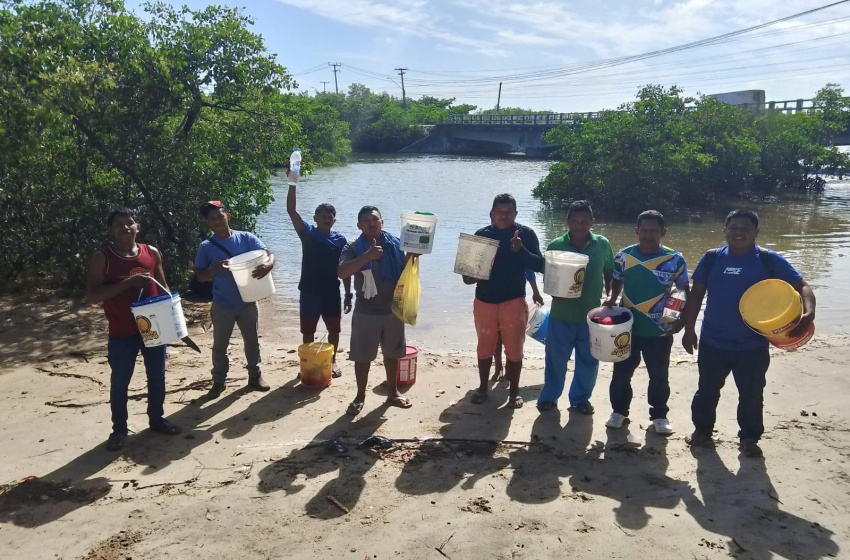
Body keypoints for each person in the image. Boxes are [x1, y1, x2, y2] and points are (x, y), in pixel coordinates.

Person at [682, 209, 815, 458]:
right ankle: (702, 431)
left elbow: (803, 286)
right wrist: (689, 330)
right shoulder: (711, 258)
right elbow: (696, 295)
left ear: (756, 232)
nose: (739, 232)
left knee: (752, 394)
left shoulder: (769, 260)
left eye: (745, 228)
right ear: (725, 230)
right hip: (713, 341)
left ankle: (750, 438)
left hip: (753, 345)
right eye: (733, 227)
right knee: (706, 390)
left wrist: (808, 314)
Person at [85, 208, 182, 451]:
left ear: (137, 227)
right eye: (119, 224)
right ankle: (119, 429)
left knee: (157, 375)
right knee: (120, 381)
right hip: (121, 331)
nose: (125, 228)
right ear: (111, 230)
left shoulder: (152, 252)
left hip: (153, 328)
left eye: (130, 223)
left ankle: (156, 418)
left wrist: (175, 318)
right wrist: (128, 283)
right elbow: (92, 296)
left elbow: (163, 287)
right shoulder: (103, 256)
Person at [602, 210, 689, 435]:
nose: (649, 236)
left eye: (654, 232)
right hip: (627, 327)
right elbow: (617, 281)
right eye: (645, 231)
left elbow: (682, 291)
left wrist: (680, 322)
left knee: (658, 376)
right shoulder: (623, 255)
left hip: (659, 329)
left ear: (663, 233)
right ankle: (619, 412)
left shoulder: (675, 259)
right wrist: (611, 298)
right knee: (621, 374)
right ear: (637, 231)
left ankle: (659, 415)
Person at [463, 193, 544, 408]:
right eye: (499, 212)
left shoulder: (526, 234)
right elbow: (467, 279)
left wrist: (520, 250)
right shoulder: (482, 235)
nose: (504, 216)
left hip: (513, 300)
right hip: (485, 300)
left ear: (516, 214)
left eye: (509, 212)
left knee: (515, 350)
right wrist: (473, 274)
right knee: (484, 348)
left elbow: (540, 265)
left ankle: (514, 392)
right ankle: (482, 387)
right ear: (492, 214)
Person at [537, 200, 614, 415]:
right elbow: (549, 279)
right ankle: (549, 397)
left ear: (592, 222)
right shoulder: (556, 245)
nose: (579, 226)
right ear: (567, 221)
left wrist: (610, 296)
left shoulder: (602, 244)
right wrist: (554, 295)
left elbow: (611, 273)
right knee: (555, 361)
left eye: (585, 221)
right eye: (575, 221)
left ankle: (580, 399)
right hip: (561, 315)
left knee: (588, 362)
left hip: (591, 317)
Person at [194, 201, 275, 399]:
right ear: (208, 223)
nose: (217, 221)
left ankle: (255, 376)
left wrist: (268, 265)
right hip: (223, 304)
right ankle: (219, 381)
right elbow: (201, 276)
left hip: (249, 300)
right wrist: (216, 269)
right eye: (212, 219)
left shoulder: (246, 237)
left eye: (220, 216)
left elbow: (268, 254)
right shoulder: (206, 247)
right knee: (220, 345)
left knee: (252, 341)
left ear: (228, 216)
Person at [338, 206, 412, 415]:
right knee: (362, 357)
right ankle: (360, 395)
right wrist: (366, 257)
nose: (371, 223)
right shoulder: (352, 247)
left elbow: (406, 271)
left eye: (375, 219)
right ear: (359, 225)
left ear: (382, 222)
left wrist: (414, 255)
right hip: (366, 311)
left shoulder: (396, 243)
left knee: (393, 354)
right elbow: (342, 272)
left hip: (393, 309)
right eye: (366, 220)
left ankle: (393, 392)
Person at [286, 173, 352, 378]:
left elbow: (346, 268)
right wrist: (292, 182)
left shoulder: (340, 240)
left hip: (332, 291)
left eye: (330, 216)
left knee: (334, 330)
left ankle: (331, 363)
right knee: (308, 331)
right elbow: (291, 210)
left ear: (334, 220)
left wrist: (349, 293)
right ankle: (307, 362)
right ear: (315, 219)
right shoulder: (308, 234)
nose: (326, 219)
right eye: (322, 216)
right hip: (309, 291)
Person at [493, 269, 544, 381]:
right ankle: (498, 367)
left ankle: (508, 366)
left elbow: (529, 269)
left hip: (514, 297)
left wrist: (536, 292)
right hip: (492, 296)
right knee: (496, 337)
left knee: (511, 337)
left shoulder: (518, 251)